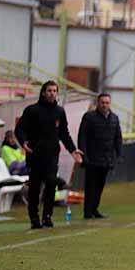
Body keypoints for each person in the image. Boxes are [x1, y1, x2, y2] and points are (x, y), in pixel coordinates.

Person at [15, 80, 83, 229]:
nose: (52, 93)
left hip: (52, 156)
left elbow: (64, 134)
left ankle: (47, 216)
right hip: (34, 155)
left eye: (54, 91)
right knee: (34, 188)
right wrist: (24, 142)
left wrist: (73, 150)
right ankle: (34, 218)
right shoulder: (31, 110)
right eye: (49, 90)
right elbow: (19, 129)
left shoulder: (60, 111)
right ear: (43, 92)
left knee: (51, 184)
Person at [77, 93, 122, 220]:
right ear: (98, 103)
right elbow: (82, 137)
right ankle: (87, 212)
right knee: (90, 186)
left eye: (107, 103)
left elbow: (118, 138)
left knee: (100, 186)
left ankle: (94, 209)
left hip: (106, 159)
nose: (105, 105)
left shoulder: (114, 118)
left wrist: (119, 154)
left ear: (110, 104)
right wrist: (83, 155)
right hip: (92, 158)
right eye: (102, 102)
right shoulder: (89, 117)